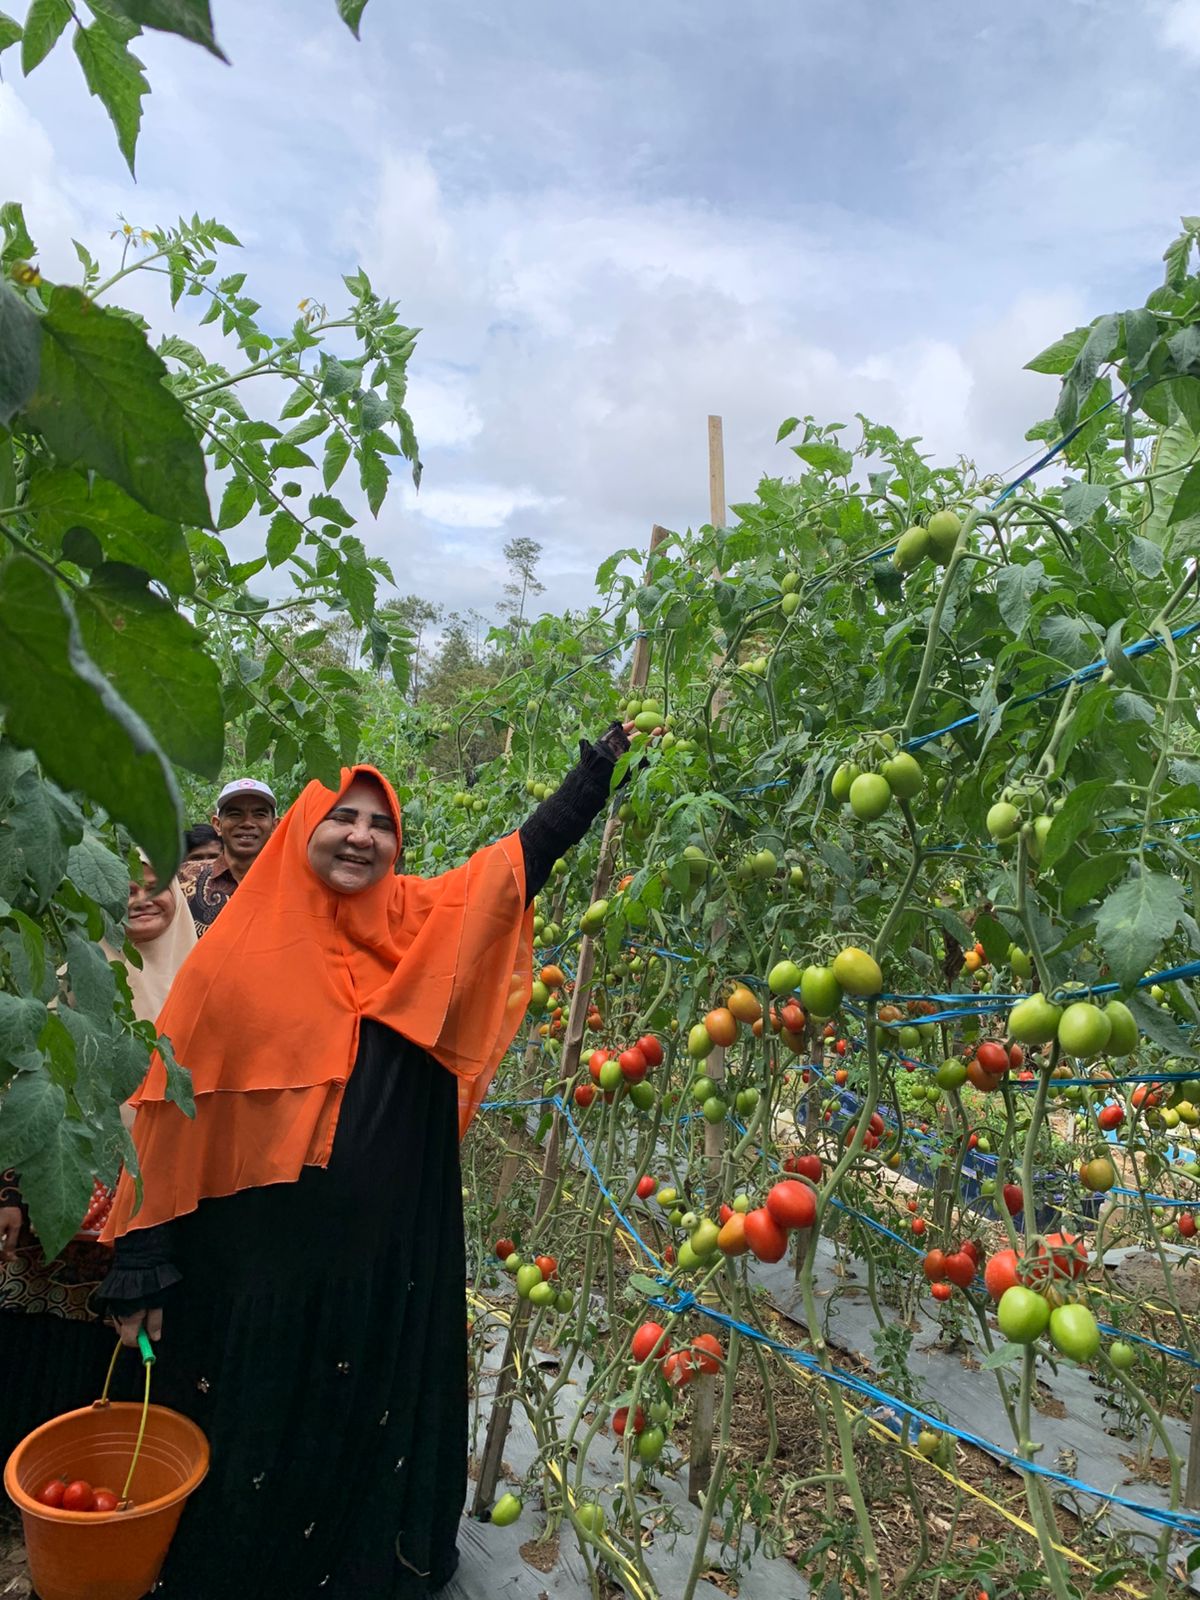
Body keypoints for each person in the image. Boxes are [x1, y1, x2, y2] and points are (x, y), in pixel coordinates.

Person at [97, 724, 632, 1600]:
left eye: (380, 825)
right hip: (250, 1276)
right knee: (249, 1447)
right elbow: (166, 1112)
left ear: (397, 849)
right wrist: (143, 1259)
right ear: (303, 832)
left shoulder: (421, 931)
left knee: (349, 1440)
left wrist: (592, 778)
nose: (360, 835)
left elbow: (510, 871)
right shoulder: (231, 960)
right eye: (342, 817)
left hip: (375, 1271)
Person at [0, 861, 196, 1463]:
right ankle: (31, 1466)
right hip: (67, 1191)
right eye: (120, 889)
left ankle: (107, 1466)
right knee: (46, 1340)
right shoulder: (66, 976)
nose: (138, 899)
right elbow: (23, 1080)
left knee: (135, 1335)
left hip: (164, 1202)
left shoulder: (208, 976)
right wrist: (10, 1189)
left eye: (152, 884)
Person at [180, 777, 278, 935]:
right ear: (217, 825)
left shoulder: (296, 882)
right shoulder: (183, 879)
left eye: (259, 814)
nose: (247, 823)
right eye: (235, 814)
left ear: (275, 826)